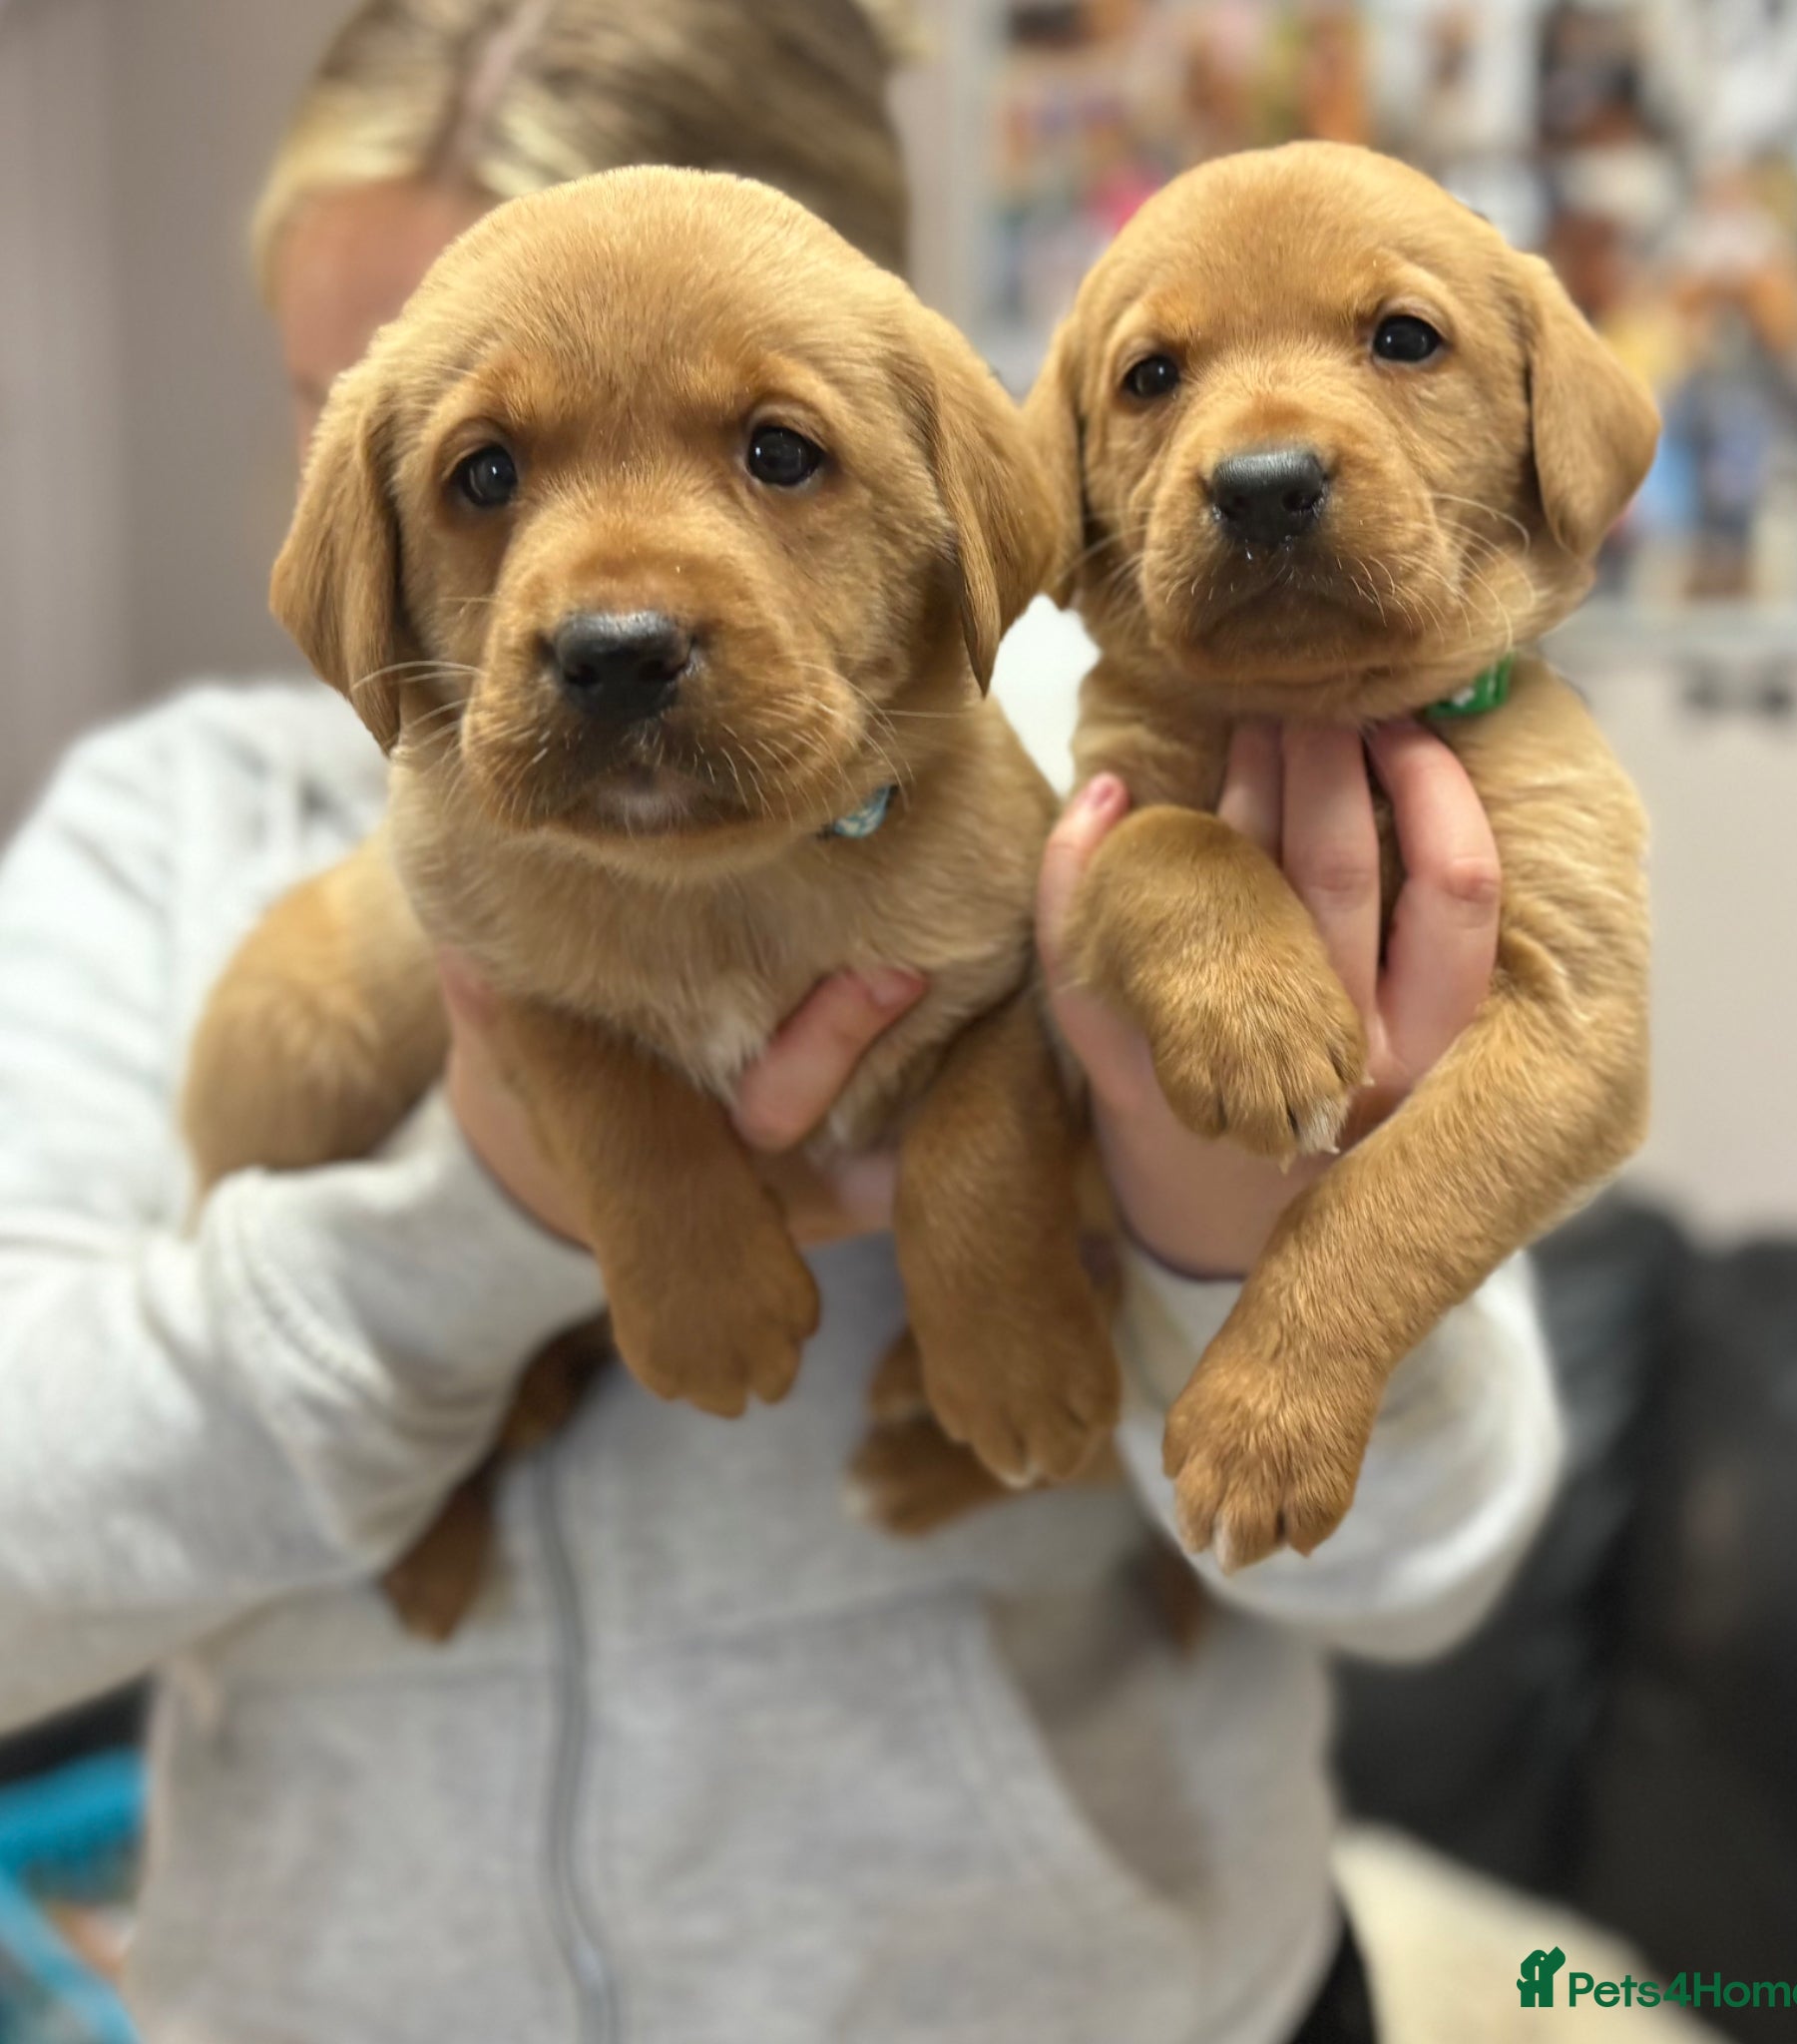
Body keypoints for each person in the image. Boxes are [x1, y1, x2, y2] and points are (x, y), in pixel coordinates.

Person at [0, 4, 1556, 2040]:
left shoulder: (1139, 811)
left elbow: (1430, 1561)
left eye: (772, 452)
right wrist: (487, 1218)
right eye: (472, 468)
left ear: (934, 464)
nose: (605, 595)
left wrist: (1211, 1229)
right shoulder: (173, 835)